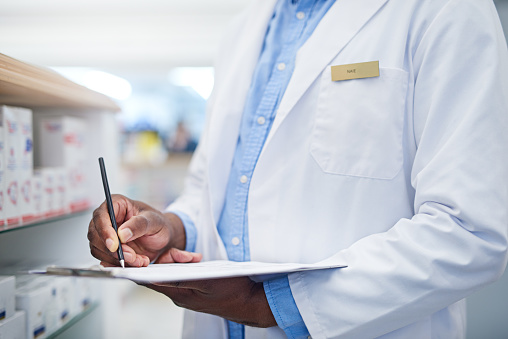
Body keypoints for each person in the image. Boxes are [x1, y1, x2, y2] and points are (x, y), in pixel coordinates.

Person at [88, 0, 508, 337]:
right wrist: (171, 228)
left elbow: (469, 230)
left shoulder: (447, 10)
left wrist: (272, 304)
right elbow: (213, 187)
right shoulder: (244, 29)